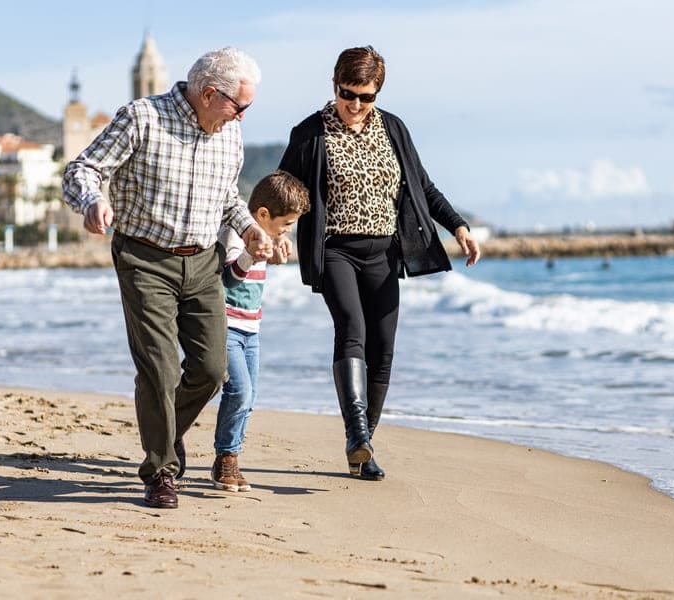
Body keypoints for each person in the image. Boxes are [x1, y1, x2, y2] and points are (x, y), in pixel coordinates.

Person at [62, 47, 273, 509]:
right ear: (209, 93)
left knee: (212, 370)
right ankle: (160, 470)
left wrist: (251, 228)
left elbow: (228, 198)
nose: (242, 116)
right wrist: (92, 201)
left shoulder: (230, 133)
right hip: (145, 259)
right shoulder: (143, 118)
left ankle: (165, 429)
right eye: (240, 106)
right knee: (157, 368)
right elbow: (81, 170)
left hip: (202, 262)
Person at [279, 46, 481, 481]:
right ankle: (356, 434)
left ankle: (363, 448)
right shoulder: (310, 133)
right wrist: (270, 232)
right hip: (335, 250)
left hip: (385, 252)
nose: (355, 105)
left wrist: (458, 227)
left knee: (383, 350)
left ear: (377, 94)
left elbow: (422, 186)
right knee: (351, 330)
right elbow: (284, 190)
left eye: (366, 97)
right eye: (348, 93)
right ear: (335, 86)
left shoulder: (393, 129)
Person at [212, 170, 310, 492]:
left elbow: (270, 252)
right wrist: (250, 254)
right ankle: (226, 456)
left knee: (250, 396)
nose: (287, 232)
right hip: (226, 324)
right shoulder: (235, 235)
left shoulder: (267, 234)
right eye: (286, 224)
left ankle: (229, 458)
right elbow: (229, 278)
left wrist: (278, 245)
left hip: (251, 327)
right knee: (238, 392)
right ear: (263, 214)